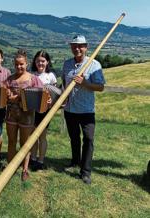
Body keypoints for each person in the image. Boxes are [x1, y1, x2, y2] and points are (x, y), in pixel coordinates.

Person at [62, 35, 105, 184]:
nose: (77, 49)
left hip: (86, 110)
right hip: (70, 109)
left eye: (80, 46)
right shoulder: (67, 64)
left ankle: (85, 172)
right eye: (74, 46)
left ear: (86, 47)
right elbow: (64, 83)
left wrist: (85, 83)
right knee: (74, 137)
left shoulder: (94, 65)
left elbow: (100, 87)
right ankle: (75, 161)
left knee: (88, 139)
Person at [5, 49, 43, 182]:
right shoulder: (9, 79)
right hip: (11, 114)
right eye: (16, 64)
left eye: (21, 64)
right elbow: (3, 96)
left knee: (25, 143)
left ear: (26, 64)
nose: (19, 67)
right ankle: (10, 168)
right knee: (11, 141)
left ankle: (24, 169)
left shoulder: (34, 79)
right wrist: (8, 95)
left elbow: (41, 95)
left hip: (27, 115)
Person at [30, 50, 57, 171]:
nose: (40, 63)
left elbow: (55, 93)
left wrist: (51, 101)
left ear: (47, 62)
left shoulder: (50, 76)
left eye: (43, 61)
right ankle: (33, 158)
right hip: (33, 109)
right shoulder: (31, 75)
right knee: (33, 135)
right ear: (34, 62)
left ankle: (41, 160)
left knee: (42, 136)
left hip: (45, 110)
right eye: (38, 61)